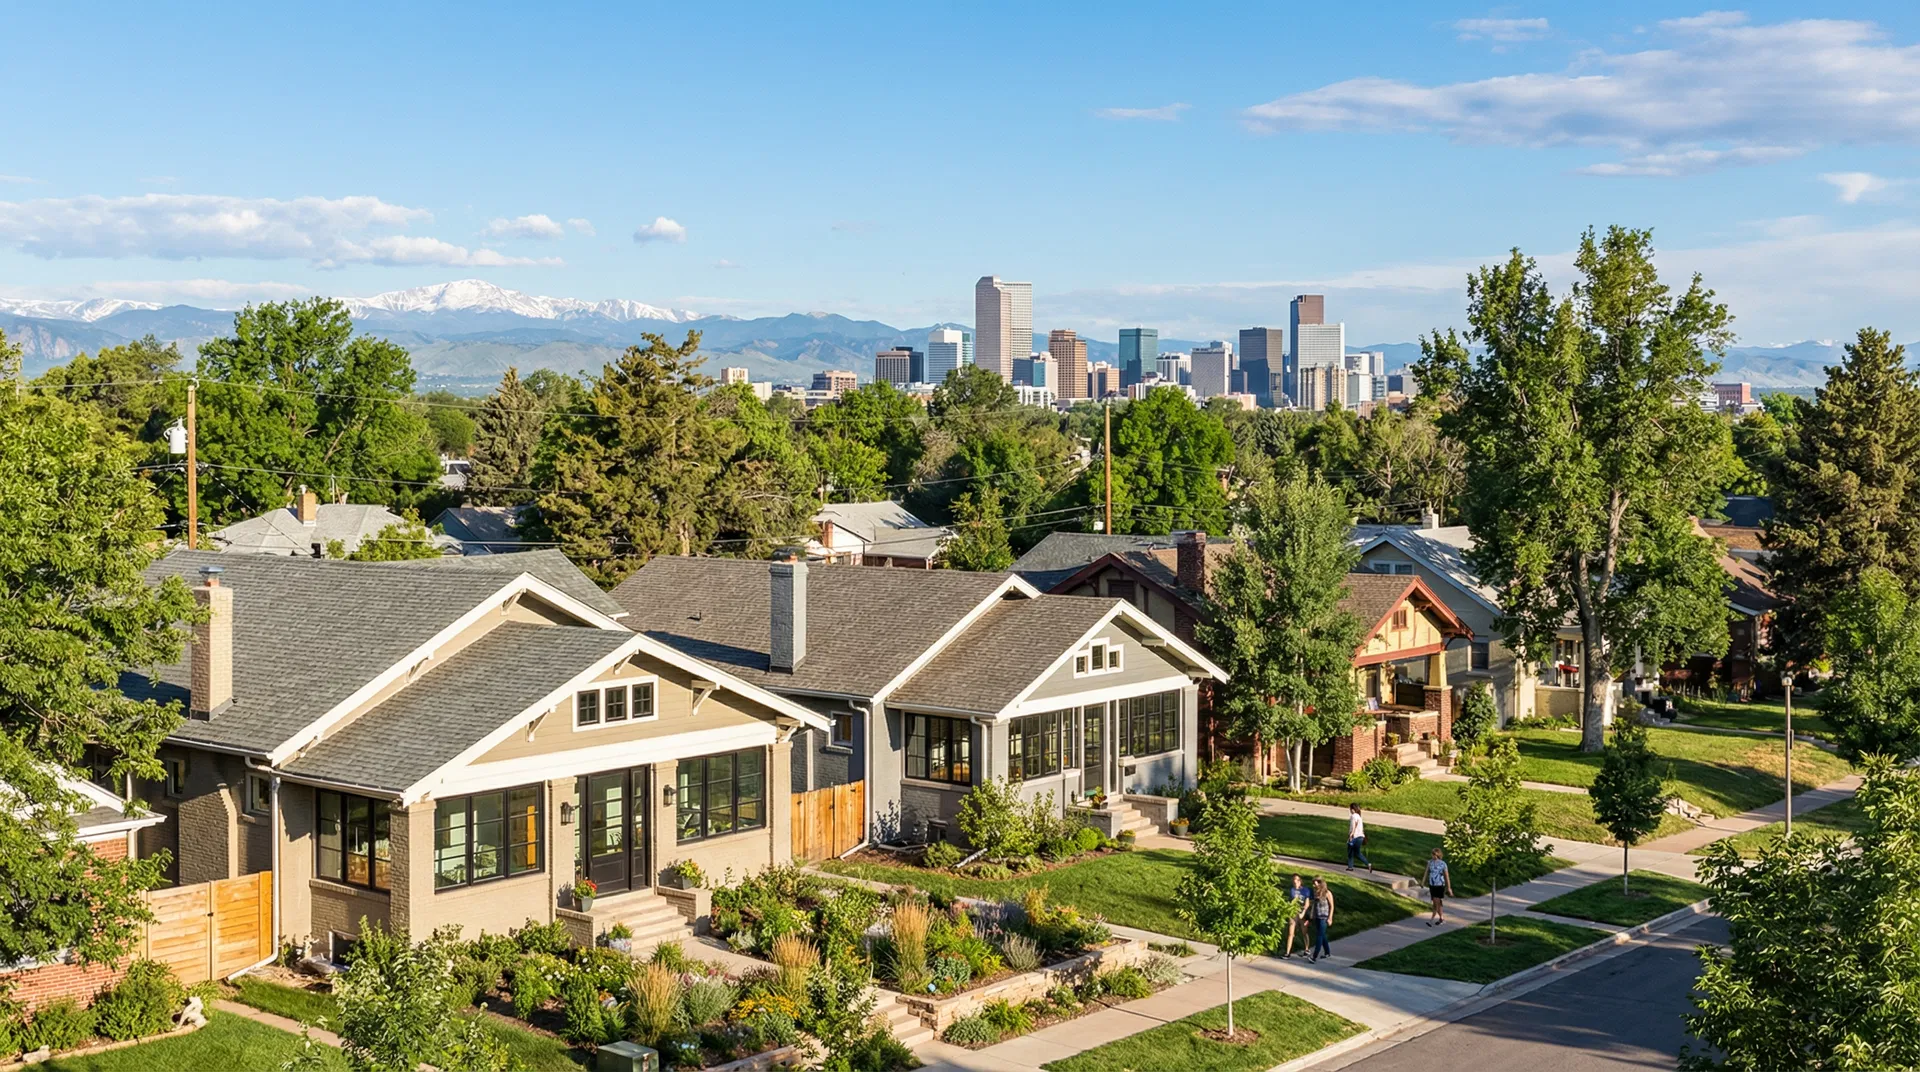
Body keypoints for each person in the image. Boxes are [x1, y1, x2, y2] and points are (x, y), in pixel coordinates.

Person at [1282, 874, 1312, 957]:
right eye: (1293, 882)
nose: (1295, 883)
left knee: (1304, 932)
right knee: (1290, 933)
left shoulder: (1305, 890)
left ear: (1299, 881)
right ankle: (1287, 952)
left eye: (1296, 881)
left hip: (1302, 912)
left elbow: (1307, 903)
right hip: (1294, 912)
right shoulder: (1292, 890)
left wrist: (1303, 912)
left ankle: (1306, 949)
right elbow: (1290, 902)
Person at [1425, 848, 1454, 926]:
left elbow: (1446, 876)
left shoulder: (1443, 864)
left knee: (1436, 902)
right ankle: (1441, 918)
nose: (1433, 856)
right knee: (1437, 902)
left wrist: (1449, 888)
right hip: (1432, 885)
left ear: (1438, 855)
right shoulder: (1430, 862)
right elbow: (1426, 872)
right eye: (1432, 854)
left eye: (1434, 854)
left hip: (1440, 885)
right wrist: (1423, 881)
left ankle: (1432, 919)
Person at [1309, 877, 1335, 962]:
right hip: (1317, 916)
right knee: (1322, 935)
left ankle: (1314, 956)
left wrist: (1330, 918)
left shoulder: (1327, 893)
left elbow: (1331, 906)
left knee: (1319, 936)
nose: (1314, 885)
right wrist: (1312, 914)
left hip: (1324, 917)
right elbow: (1313, 904)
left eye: (1315, 883)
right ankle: (1327, 952)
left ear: (1320, 883)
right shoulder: (1315, 892)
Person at [1346, 804, 1373, 873]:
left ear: (1352, 809)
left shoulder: (1353, 816)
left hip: (1354, 837)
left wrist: (1351, 835)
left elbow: (1353, 826)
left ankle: (1350, 867)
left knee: (1350, 852)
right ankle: (1368, 864)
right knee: (1357, 853)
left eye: (1350, 809)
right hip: (1360, 837)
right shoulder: (1359, 817)